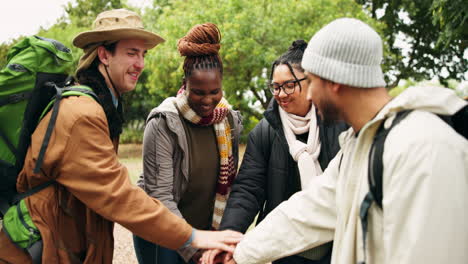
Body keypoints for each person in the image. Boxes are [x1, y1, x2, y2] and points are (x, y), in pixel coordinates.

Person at [203, 18, 468, 264]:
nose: (309, 96)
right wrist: (239, 252)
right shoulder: (360, 145)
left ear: (335, 82)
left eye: (313, 82)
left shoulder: (423, 148)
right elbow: (310, 210)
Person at [0, 9, 241, 264]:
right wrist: (193, 237)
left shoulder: (101, 107)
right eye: (131, 53)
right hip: (36, 252)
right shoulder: (82, 113)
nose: (141, 64)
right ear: (104, 55)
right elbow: (118, 195)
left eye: (143, 54)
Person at [203, 40, 346, 264]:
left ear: (311, 81)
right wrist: (228, 239)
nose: (281, 94)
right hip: (286, 247)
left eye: (289, 85)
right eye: (276, 87)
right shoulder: (265, 130)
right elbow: (248, 189)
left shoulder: (339, 123)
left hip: (339, 245)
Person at [132, 22, 242, 264]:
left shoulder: (229, 121)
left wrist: (215, 244)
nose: (207, 100)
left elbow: (231, 185)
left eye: (215, 91)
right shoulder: (163, 122)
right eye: (198, 92)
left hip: (204, 230)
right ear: (185, 84)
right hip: (161, 230)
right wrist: (195, 250)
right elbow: (160, 195)